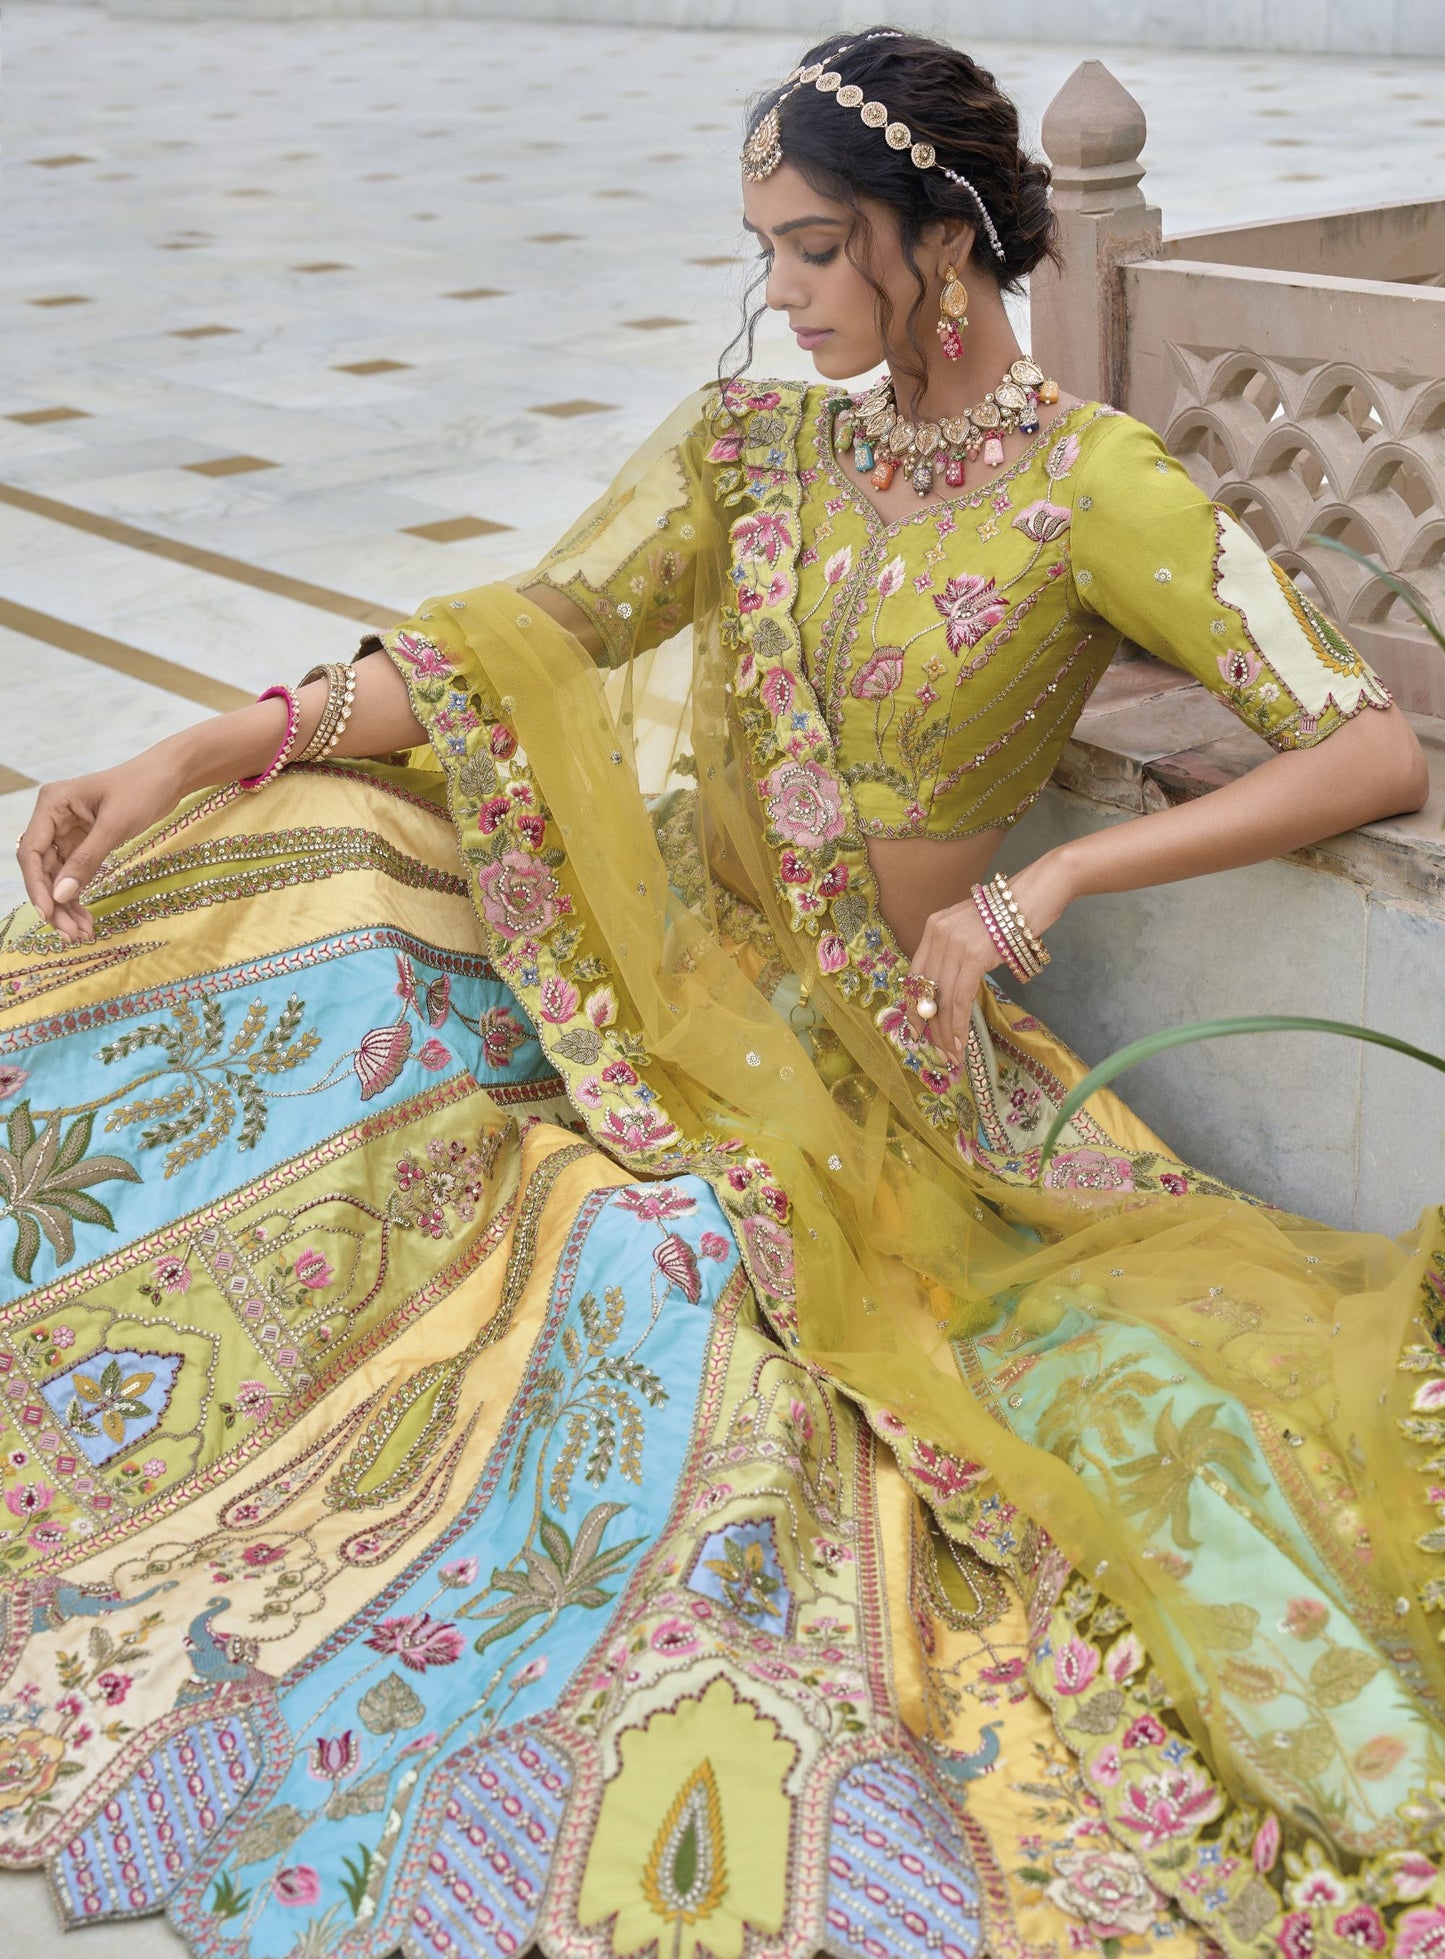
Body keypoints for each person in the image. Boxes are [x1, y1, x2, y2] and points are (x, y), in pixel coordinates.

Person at [3, 24, 1443, 1959]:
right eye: (764, 248)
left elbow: (1367, 752)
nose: (779, 292)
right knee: (302, 859)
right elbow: (516, 645)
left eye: (814, 248)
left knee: (651, 1272)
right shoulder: (756, 453)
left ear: (941, 245)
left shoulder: (1092, 492)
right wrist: (201, 743)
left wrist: (1053, 880)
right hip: (671, 957)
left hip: (874, 1070)